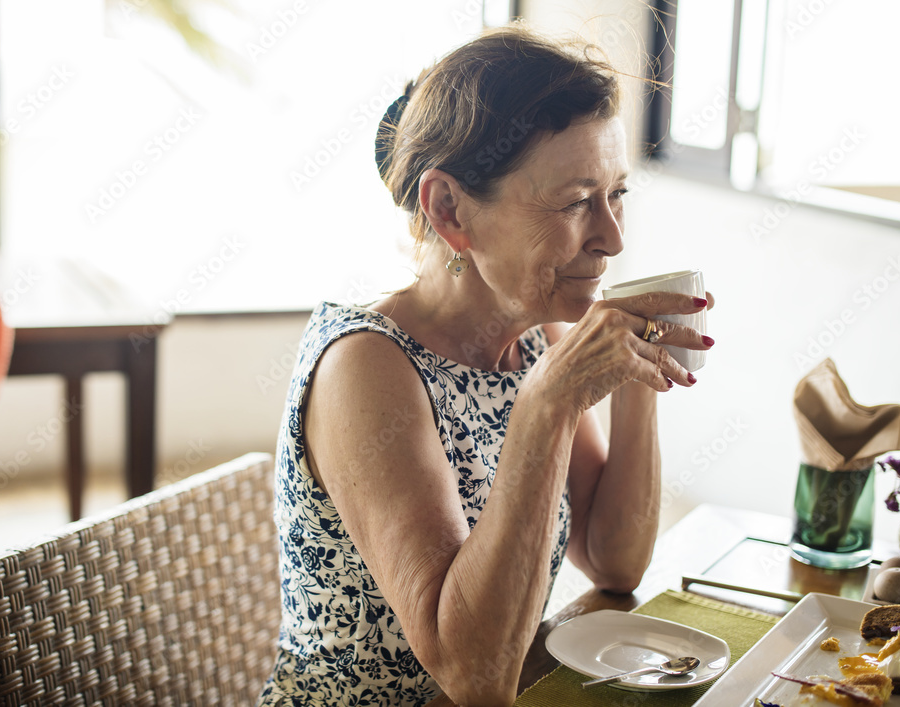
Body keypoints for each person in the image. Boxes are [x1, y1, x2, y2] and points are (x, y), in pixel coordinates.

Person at [257, 23, 713, 707]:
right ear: (450, 211)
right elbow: (472, 676)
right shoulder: (365, 366)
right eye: (575, 202)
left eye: (617, 194)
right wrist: (547, 407)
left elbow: (614, 559)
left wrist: (637, 371)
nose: (613, 238)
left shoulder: (538, 337)